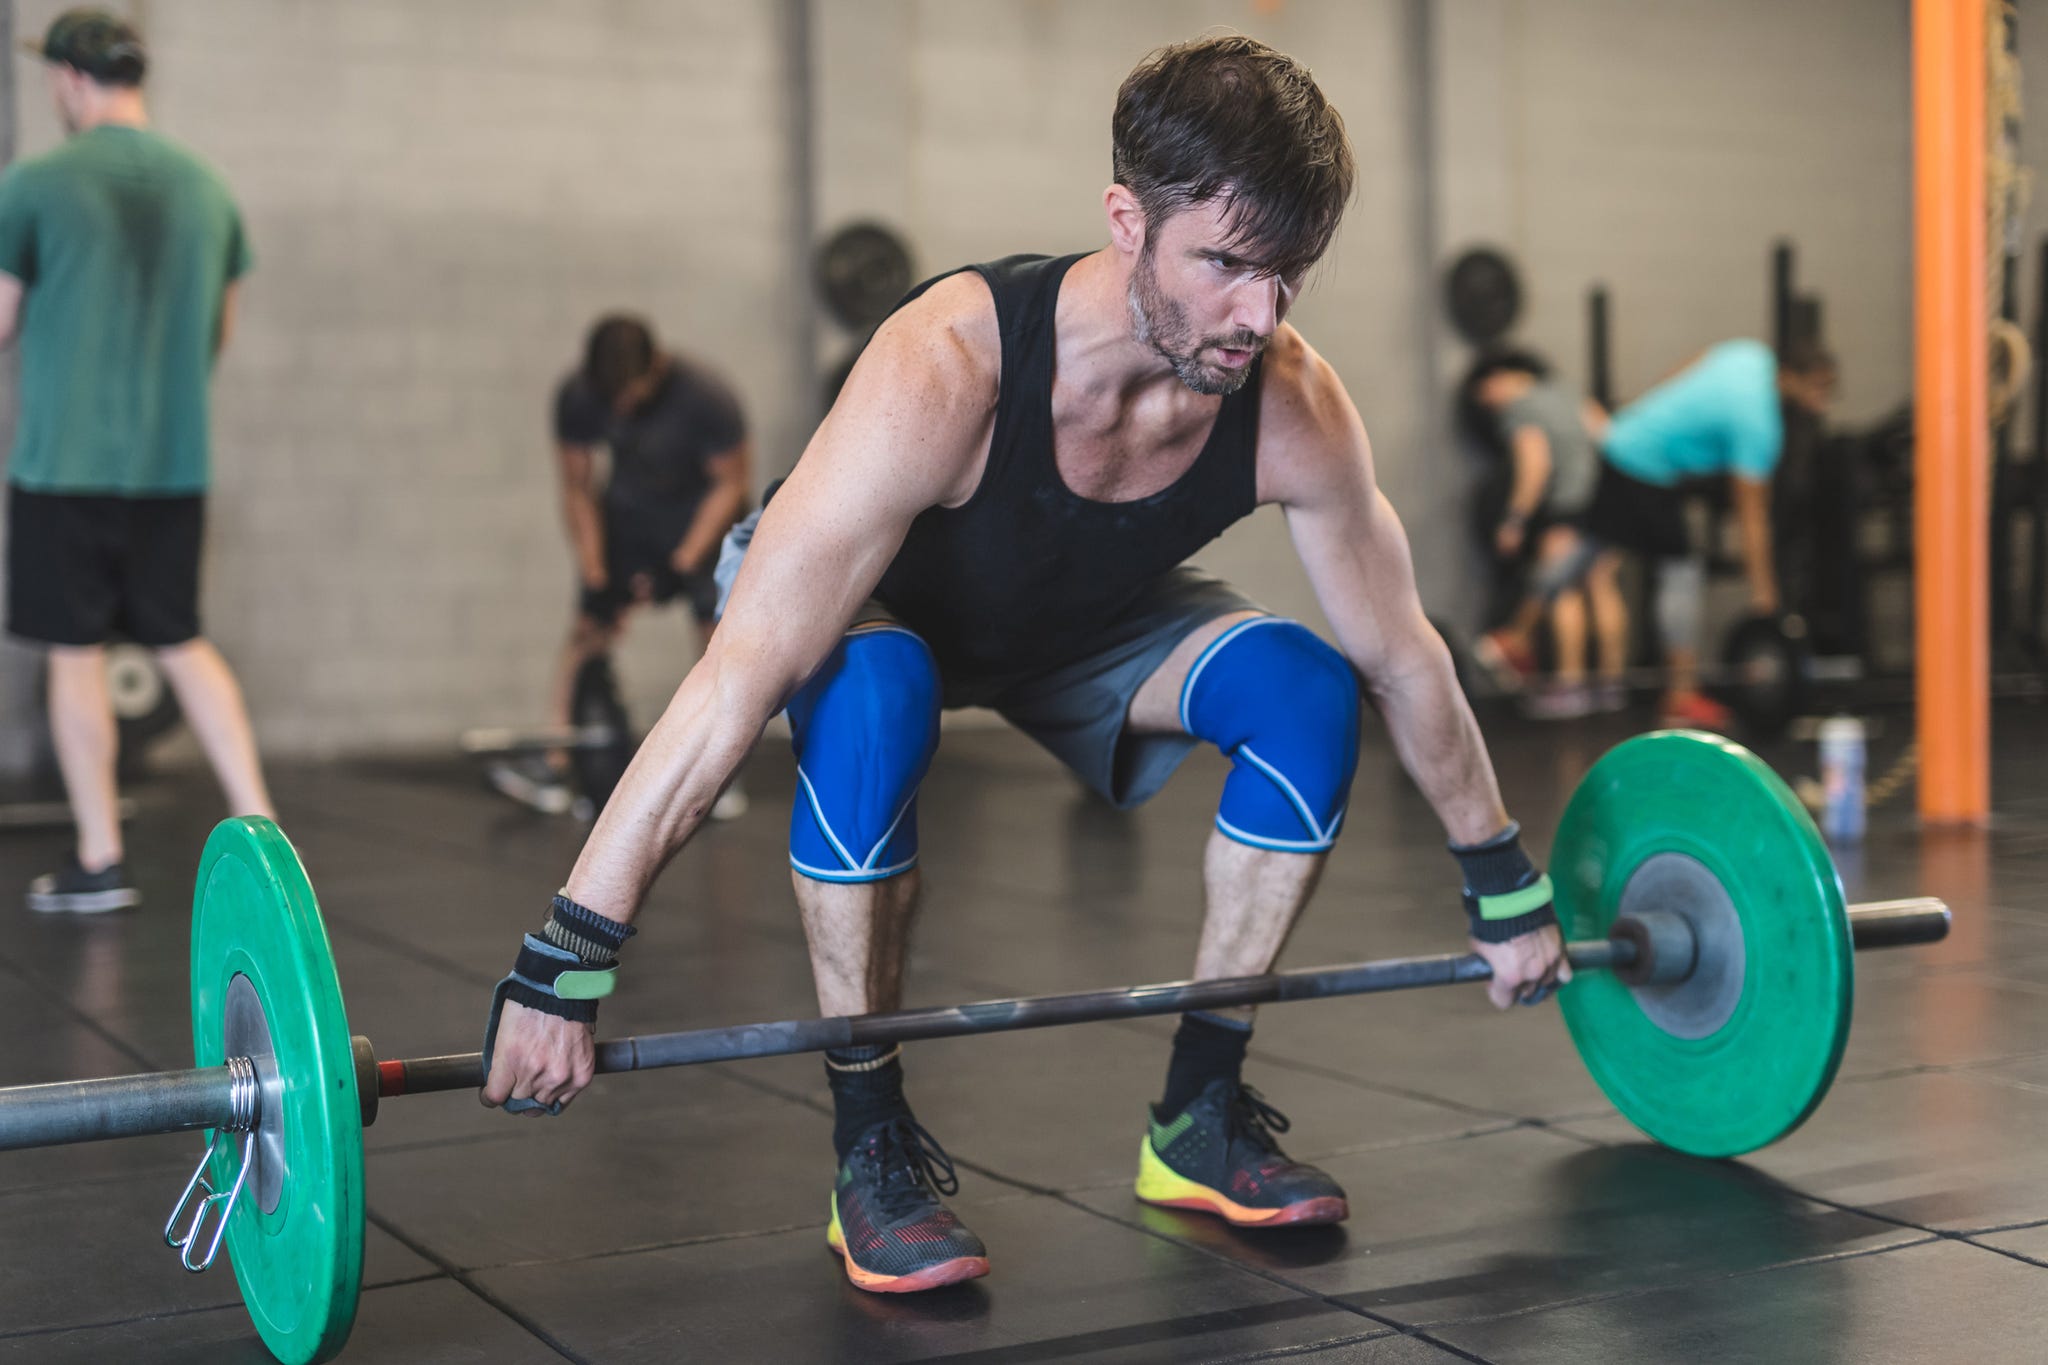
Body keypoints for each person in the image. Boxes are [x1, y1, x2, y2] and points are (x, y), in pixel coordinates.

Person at [481, 35, 1569, 1295]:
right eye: (1222, 264)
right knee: (880, 697)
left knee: (1307, 690)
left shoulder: (1287, 400)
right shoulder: (954, 362)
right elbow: (739, 673)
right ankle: (867, 1142)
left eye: (1287, 275)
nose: (1256, 317)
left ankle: (1196, 1116)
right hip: (868, 612)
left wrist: (1501, 883)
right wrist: (569, 953)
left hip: (1076, 624)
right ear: (1125, 220)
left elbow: (1403, 651)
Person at [0, 9, 273, 912]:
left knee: (75, 654)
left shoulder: (33, 183)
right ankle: (266, 833)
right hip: (171, 466)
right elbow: (217, 334)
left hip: (64, 466)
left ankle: (100, 858)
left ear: (72, 80)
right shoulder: (209, 187)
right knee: (182, 643)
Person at [487, 316, 753, 820]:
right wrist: (594, 569)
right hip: (630, 518)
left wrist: (683, 562)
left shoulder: (707, 398)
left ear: (656, 366)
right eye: (614, 396)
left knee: (715, 641)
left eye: (631, 394)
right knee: (588, 629)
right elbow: (577, 487)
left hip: (701, 520)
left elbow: (731, 485)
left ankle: (718, 775)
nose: (622, 407)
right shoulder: (579, 396)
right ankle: (556, 762)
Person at [1580, 338, 1837, 729]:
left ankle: (1510, 636)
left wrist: (1640, 417)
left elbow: (1680, 373)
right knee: (1681, 569)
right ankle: (1680, 696)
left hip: (1625, 440)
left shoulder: (1748, 354)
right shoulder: (1758, 424)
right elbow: (1752, 516)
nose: (1824, 401)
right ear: (1793, 378)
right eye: (1819, 389)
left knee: (1590, 552)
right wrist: (1765, 598)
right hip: (1646, 466)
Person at [1457, 350, 1629, 719]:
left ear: (1499, 379)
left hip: (1570, 507)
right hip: (1612, 501)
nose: (1488, 405)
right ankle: (1611, 688)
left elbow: (1535, 465)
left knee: (1561, 591)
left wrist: (1515, 519)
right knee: (1601, 586)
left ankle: (1570, 688)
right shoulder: (1567, 393)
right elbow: (1609, 437)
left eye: (1485, 395)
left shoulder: (1518, 409)